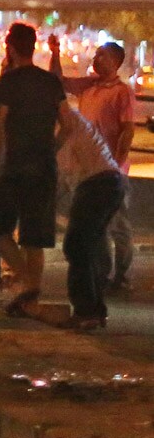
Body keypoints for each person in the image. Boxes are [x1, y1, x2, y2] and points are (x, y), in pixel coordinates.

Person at [0, 22, 66, 317]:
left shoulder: (9, 82)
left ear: (11, 48)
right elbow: (70, 124)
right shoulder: (51, 82)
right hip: (44, 166)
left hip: (15, 165)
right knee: (34, 237)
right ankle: (30, 298)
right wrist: (52, 147)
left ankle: (28, 286)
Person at [53, 40, 136, 291]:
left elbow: (128, 131)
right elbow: (58, 81)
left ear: (115, 62)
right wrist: (55, 52)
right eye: (96, 55)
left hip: (110, 170)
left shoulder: (122, 91)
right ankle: (102, 272)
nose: (95, 59)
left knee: (116, 223)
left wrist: (118, 165)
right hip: (86, 170)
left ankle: (121, 274)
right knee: (96, 226)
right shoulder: (89, 86)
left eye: (101, 56)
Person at [57, 88, 126, 332]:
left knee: (76, 246)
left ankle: (86, 312)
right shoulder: (72, 122)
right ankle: (95, 310)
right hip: (108, 182)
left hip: (97, 184)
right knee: (90, 246)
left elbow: (62, 173)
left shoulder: (67, 124)